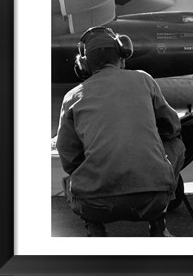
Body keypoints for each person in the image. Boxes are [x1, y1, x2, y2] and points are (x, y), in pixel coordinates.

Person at [56, 26, 185, 237]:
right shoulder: (144, 80)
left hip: (95, 204)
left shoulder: (72, 96)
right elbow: (173, 127)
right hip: (152, 200)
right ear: (122, 56)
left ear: (84, 65)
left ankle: (95, 230)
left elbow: (68, 157)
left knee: (68, 180)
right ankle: (158, 224)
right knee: (177, 145)